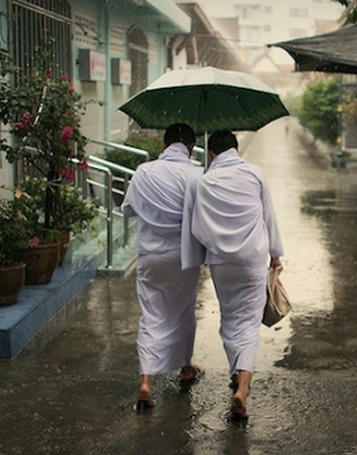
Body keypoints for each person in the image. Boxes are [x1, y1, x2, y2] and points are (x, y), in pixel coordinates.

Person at [182, 131, 284, 421]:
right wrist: (275, 254)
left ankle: (235, 373)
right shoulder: (254, 173)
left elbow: (198, 227)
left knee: (230, 319)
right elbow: (269, 215)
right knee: (250, 323)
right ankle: (243, 386)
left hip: (222, 262)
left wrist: (212, 248)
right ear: (236, 149)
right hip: (253, 259)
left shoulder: (204, 182)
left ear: (212, 154)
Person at [121, 123, 204, 410]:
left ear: (165, 144)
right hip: (184, 256)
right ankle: (185, 368)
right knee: (182, 312)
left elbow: (128, 208)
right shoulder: (197, 174)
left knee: (151, 314)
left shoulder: (144, 172)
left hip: (150, 255)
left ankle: (145, 381)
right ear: (191, 148)